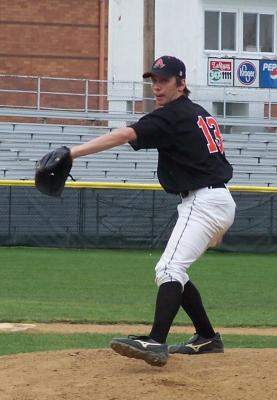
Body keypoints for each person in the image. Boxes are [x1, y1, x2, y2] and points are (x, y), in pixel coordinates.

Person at [70, 55, 236, 367]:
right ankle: (206, 337)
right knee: (176, 269)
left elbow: (123, 134)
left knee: (168, 270)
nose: (157, 87)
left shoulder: (171, 116)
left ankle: (155, 341)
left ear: (181, 83)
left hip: (204, 201)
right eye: (154, 81)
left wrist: (71, 153)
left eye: (164, 81)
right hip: (216, 199)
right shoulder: (196, 113)